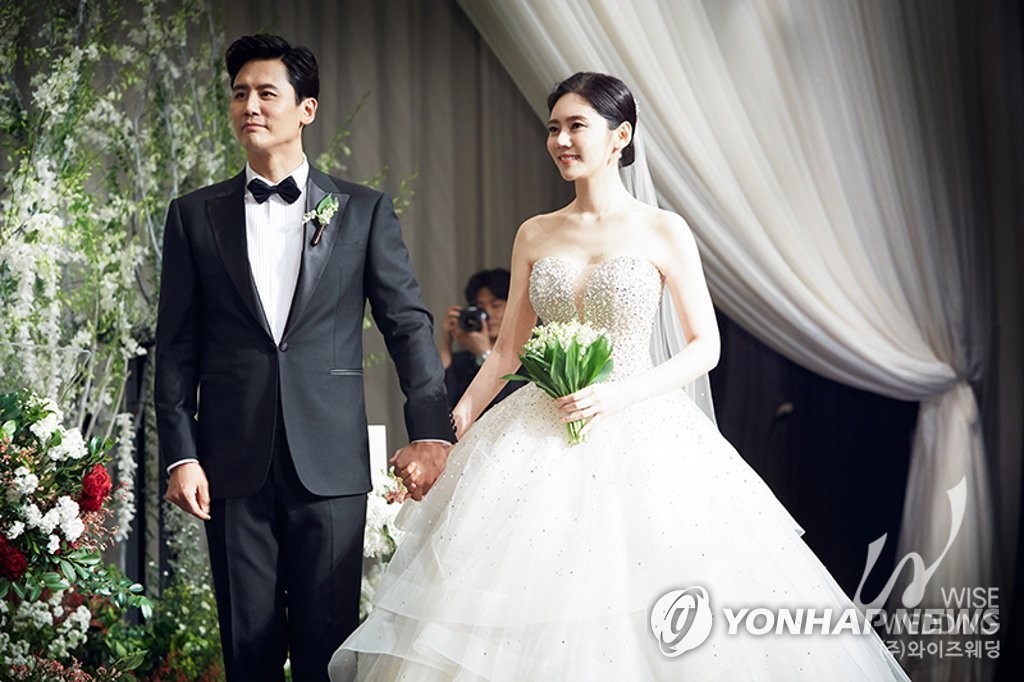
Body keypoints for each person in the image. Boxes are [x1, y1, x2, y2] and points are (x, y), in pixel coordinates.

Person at [330, 73, 910, 680]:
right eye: (553, 128)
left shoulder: (663, 229)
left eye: (576, 125)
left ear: (620, 136)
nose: (560, 140)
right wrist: (449, 433)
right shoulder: (536, 232)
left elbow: (705, 346)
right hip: (536, 428)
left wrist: (622, 393)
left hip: (641, 425)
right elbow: (505, 354)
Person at [154, 34, 453, 682]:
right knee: (248, 650)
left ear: (306, 109)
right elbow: (174, 347)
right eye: (239, 94)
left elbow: (406, 324)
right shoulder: (193, 216)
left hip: (331, 462)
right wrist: (181, 453)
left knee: (329, 649)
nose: (250, 106)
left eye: (267, 93)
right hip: (230, 460)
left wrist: (432, 432)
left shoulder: (362, 211)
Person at [438, 268, 522, 409]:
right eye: (480, 307)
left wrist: (485, 353)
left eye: (495, 305)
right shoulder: (462, 362)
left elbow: (512, 405)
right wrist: (446, 340)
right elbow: (441, 402)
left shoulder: (528, 359)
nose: (488, 314)